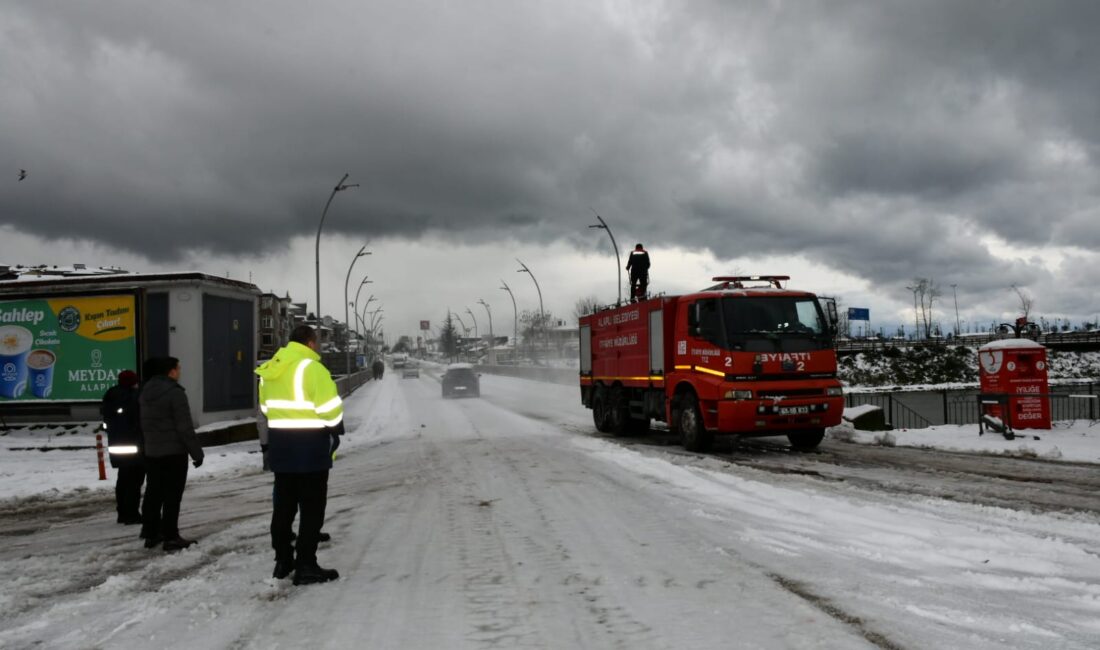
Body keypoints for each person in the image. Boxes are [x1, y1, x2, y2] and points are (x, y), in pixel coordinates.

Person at [256, 325, 344, 585]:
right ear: (310, 343)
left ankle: (283, 560)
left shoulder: (271, 369)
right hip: (310, 447)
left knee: (283, 507)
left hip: (281, 446)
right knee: (312, 508)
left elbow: (265, 408)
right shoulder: (311, 368)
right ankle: (306, 564)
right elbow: (330, 411)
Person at [139, 356, 204, 551]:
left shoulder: (144, 392)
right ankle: (171, 536)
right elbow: (184, 427)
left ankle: (151, 533)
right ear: (170, 371)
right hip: (174, 453)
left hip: (152, 451)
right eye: (178, 368)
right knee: (172, 496)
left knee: (153, 493)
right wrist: (196, 453)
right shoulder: (175, 393)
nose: (179, 371)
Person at [101, 370, 144, 525]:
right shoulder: (134, 396)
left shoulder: (110, 394)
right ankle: (132, 514)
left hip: (116, 445)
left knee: (123, 480)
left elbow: (106, 421)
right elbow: (139, 421)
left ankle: (122, 512)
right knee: (134, 481)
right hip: (134, 446)